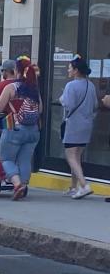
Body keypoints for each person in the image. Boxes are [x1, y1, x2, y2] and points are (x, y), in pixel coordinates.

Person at [0, 56, 41, 201]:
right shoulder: (34, 89)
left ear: (16, 71)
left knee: (6, 158)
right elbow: (41, 109)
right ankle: (23, 185)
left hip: (14, 129)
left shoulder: (11, 88)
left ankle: (17, 184)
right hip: (33, 130)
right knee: (25, 159)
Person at [59, 55, 99, 199]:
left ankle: (84, 185)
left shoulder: (71, 85)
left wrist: (62, 99)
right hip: (87, 124)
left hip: (73, 125)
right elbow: (95, 105)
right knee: (77, 156)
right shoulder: (91, 85)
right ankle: (73, 186)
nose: (68, 70)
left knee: (70, 156)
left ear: (76, 70)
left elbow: (68, 104)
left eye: (70, 68)